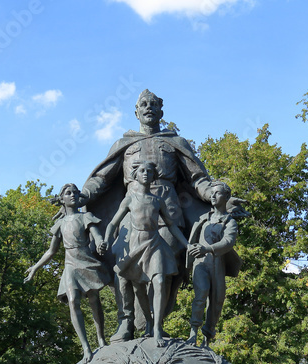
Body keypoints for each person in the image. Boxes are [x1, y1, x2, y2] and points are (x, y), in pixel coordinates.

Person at [80, 90, 217, 341]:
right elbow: (101, 179)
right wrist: (84, 195)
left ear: (161, 111)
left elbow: (198, 179)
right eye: (143, 104)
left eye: (153, 104)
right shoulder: (125, 144)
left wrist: (215, 193)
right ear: (136, 111)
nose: (148, 108)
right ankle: (126, 322)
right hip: (131, 215)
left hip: (168, 213)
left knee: (163, 270)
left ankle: (155, 324)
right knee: (124, 267)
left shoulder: (176, 142)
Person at [103, 162, 189, 347]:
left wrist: (187, 244)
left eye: (150, 171)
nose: (146, 174)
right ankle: (147, 322)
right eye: (142, 171)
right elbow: (112, 223)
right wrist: (106, 239)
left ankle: (157, 328)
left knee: (158, 282)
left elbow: (172, 225)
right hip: (136, 244)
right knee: (138, 288)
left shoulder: (157, 201)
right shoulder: (130, 199)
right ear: (135, 175)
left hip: (155, 242)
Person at [25, 183, 111, 364]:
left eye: (75, 193)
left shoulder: (86, 217)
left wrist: (101, 242)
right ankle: (86, 348)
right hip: (70, 265)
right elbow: (51, 251)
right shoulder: (60, 224)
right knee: (73, 302)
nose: (73, 195)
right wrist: (35, 268)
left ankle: (101, 338)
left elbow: (97, 235)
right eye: (68, 193)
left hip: (86, 261)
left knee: (94, 300)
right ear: (62, 199)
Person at [186, 180, 242, 347]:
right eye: (212, 193)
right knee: (201, 294)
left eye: (217, 193)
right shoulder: (204, 218)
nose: (212, 195)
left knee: (216, 302)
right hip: (201, 264)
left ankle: (206, 340)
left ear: (226, 197)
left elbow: (228, 242)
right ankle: (192, 333)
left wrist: (207, 248)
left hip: (217, 265)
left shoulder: (229, 222)